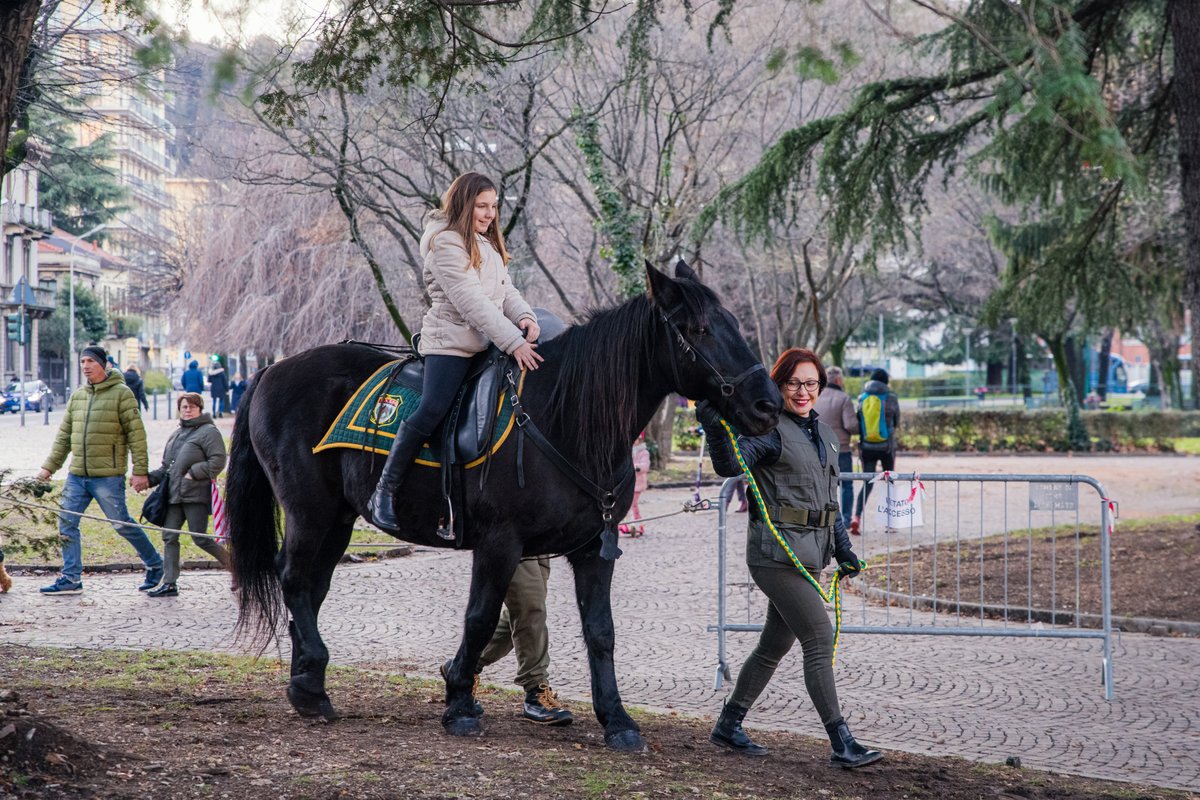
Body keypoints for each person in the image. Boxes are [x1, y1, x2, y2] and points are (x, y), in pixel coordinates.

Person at [696, 348, 882, 768]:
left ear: (822, 386)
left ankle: (729, 724)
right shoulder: (769, 430)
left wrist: (844, 549)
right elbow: (730, 465)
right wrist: (713, 427)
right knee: (819, 637)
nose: (803, 391)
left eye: (811, 383)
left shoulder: (827, 437)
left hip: (811, 554)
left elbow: (827, 503)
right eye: (794, 383)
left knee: (773, 645)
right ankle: (841, 741)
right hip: (774, 555)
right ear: (779, 386)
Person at [368, 172, 543, 529]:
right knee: (433, 408)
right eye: (481, 206)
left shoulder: (487, 244)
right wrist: (514, 342)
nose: (489, 213)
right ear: (464, 204)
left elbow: (505, 290)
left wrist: (525, 316)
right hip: (452, 344)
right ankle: (385, 490)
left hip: (487, 343)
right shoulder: (446, 242)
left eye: (493, 206)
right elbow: (472, 302)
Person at [36, 345, 164, 595]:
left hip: (107, 476)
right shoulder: (78, 396)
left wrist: (140, 471)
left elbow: (137, 436)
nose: (85, 366)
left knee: (122, 524)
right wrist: (47, 469)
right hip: (77, 475)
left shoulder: (122, 393)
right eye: (82, 361)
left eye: (90, 361)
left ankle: (155, 565)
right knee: (66, 523)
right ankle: (71, 578)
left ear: (104, 364)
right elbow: (64, 437)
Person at [450, 557, 574, 725]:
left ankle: (462, 666)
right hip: (512, 535)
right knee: (530, 606)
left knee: (526, 610)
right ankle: (535, 690)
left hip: (541, 536)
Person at [144, 392, 233, 597]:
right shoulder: (176, 434)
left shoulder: (208, 431)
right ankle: (169, 583)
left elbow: (218, 460)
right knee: (169, 536)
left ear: (199, 409)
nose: (187, 410)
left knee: (200, 538)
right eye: (184, 407)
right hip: (173, 495)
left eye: (192, 407)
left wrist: (194, 472)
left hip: (195, 495)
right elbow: (167, 466)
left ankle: (237, 569)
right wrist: (149, 479)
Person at [850, 368, 900, 534]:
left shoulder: (861, 398)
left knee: (867, 483)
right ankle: (891, 523)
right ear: (885, 381)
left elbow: (858, 421)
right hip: (886, 447)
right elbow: (896, 421)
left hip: (867, 447)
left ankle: (856, 517)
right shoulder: (891, 398)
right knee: (890, 482)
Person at [813, 365, 857, 531]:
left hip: (819, 448)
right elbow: (851, 425)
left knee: (824, 485)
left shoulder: (816, 397)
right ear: (839, 380)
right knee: (846, 484)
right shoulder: (844, 398)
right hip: (841, 448)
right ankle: (845, 520)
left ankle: (825, 518)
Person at [620, 432, 650, 536]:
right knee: (627, 505)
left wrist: (634, 466)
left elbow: (645, 466)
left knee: (633, 504)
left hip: (637, 484)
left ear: (640, 439)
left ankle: (636, 524)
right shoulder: (628, 451)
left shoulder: (643, 452)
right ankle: (628, 524)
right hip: (627, 482)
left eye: (636, 439)